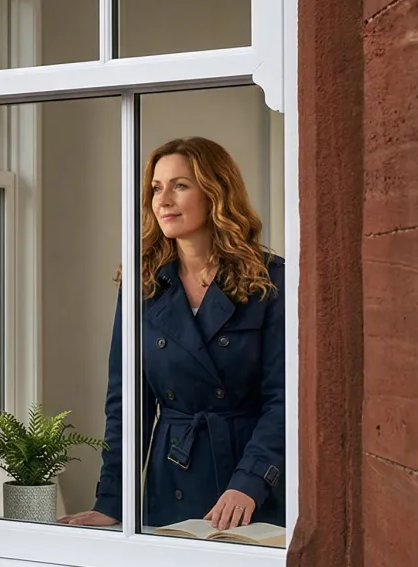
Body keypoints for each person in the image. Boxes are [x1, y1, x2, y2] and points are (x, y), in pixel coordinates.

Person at [59, 136, 285, 533]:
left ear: (217, 191)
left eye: (180, 185)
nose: (163, 200)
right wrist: (113, 499)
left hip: (250, 483)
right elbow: (127, 402)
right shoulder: (142, 284)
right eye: (156, 188)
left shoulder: (270, 281)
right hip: (173, 478)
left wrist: (249, 482)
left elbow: (282, 400)